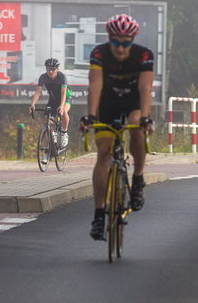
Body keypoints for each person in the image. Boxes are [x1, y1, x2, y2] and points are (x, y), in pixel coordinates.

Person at [80, 14, 154, 241]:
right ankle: (99, 214)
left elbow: (145, 88)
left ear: (132, 40)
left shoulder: (144, 55)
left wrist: (146, 117)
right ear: (109, 38)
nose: (120, 48)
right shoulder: (99, 53)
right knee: (103, 153)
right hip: (108, 102)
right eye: (115, 42)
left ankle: (138, 179)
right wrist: (91, 116)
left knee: (136, 125)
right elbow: (95, 85)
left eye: (125, 43)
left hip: (133, 101)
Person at [28, 58, 72, 148]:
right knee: (46, 122)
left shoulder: (62, 77)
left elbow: (63, 92)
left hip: (65, 99)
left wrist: (61, 105)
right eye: (48, 69)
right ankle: (47, 150)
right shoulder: (43, 77)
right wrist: (32, 104)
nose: (50, 71)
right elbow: (38, 92)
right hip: (53, 100)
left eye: (53, 69)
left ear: (57, 69)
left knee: (64, 111)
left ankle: (64, 132)